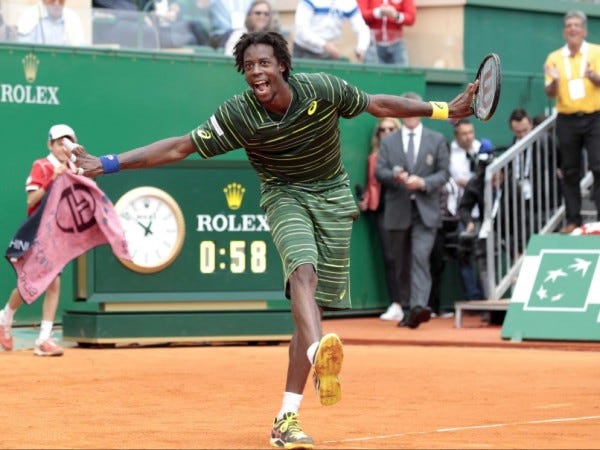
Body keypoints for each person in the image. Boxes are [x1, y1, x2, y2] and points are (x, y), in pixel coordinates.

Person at [69, 31, 477, 447]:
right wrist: (106, 163)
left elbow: (378, 104)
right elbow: (179, 148)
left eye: (263, 63)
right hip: (283, 194)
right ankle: (320, 353)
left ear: (282, 64)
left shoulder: (323, 88)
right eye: (248, 67)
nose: (255, 73)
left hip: (333, 194)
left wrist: (444, 109)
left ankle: (287, 417)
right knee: (302, 273)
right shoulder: (238, 114)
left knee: (310, 312)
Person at [0, 124, 79, 357]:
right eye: (58, 143)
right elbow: (31, 199)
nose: (63, 148)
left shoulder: (74, 168)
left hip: (60, 235)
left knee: (53, 282)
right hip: (37, 233)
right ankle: (6, 317)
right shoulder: (41, 166)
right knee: (31, 283)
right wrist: (52, 180)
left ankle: (42, 338)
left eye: (67, 144)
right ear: (50, 145)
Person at [375, 92, 450, 329]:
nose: (410, 114)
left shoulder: (436, 139)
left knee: (420, 257)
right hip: (398, 210)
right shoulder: (388, 141)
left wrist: (423, 183)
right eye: (406, 110)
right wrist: (396, 177)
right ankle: (407, 308)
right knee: (402, 263)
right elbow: (380, 172)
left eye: (415, 109)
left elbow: (444, 173)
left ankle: (418, 305)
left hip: (425, 211)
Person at [544, 10, 600, 234]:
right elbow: (549, 92)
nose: (573, 29)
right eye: (569, 25)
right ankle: (573, 219)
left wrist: (595, 77)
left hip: (595, 117)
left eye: (577, 25)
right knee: (569, 171)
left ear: (584, 30)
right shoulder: (554, 58)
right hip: (567, 118)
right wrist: (554, 82)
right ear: (564, 31)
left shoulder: (596, 52)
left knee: (599, 166)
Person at [357, 117, 404, 322]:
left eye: (391, 129)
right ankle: (397, 303)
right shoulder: (374, 157)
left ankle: (412, 303)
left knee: (407, 258)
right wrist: (365, 200)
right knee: (390, 257)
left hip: (403, 210)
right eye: (382, 130)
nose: (386, 133)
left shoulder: (406, 153)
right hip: (381, 210)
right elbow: (372, 186)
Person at [293, 0, 371, 62]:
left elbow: (362, 28)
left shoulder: (349, 2)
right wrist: (325, 45)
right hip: (305, 51)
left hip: (330, 53)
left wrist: (361, 48)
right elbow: (301, 30)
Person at [358, 0, 416, 66]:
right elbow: (359, 15)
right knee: (372, 74)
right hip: (372, 44)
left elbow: (411, 18)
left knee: (400, 74)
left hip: (396, 44)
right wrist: (378, 12)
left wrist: (396, 15)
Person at [17, 0, 86, 46]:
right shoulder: (30, 15)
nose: (57, 3)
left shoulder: (72, 17)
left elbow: (81, 49)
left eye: (61, 0)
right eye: (52, 0)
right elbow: (23, 49)